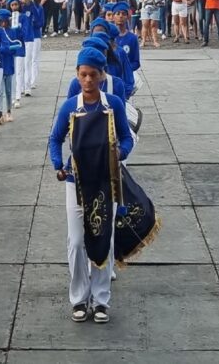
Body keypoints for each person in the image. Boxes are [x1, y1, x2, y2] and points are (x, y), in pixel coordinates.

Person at [48, 47, 133, 324]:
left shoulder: (114, 104)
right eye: (82, 75)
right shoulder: (70, 106)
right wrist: (58, 165)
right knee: (76, 242)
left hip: (104, 183)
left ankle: (101, 300)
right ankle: (79, 298)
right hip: (76, 182)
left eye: (92, 75)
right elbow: (54, 138)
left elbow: (126, 137)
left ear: (101, 75)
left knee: (102, 239)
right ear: (77, 74)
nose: (87, 80)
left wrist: (119, 154)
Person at [112, 3, 140, 71]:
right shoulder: (109, 37)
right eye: (118, 14)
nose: (120, 16)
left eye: (123, 14)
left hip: (127, 77)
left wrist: (125, 68)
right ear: (113, 17)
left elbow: (136, 62)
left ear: (127, 17)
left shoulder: (132, 38)